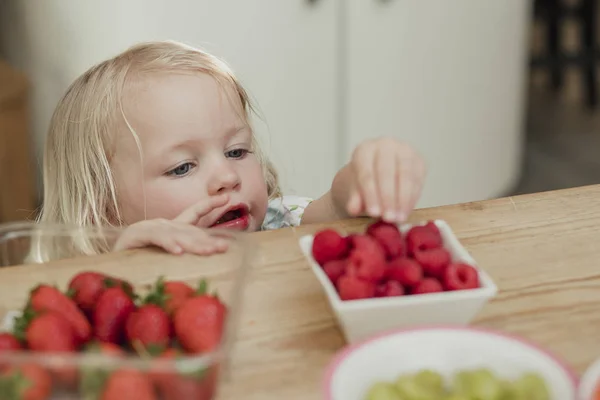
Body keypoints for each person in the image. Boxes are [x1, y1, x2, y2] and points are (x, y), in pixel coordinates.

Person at [37, 40, 426, 257]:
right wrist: (128, 263)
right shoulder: (92, 271)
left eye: (237, 152)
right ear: (102, 207)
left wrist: (361, 180)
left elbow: (335, 212)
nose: (226, 177)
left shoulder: (274, 221)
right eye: (183, 167)